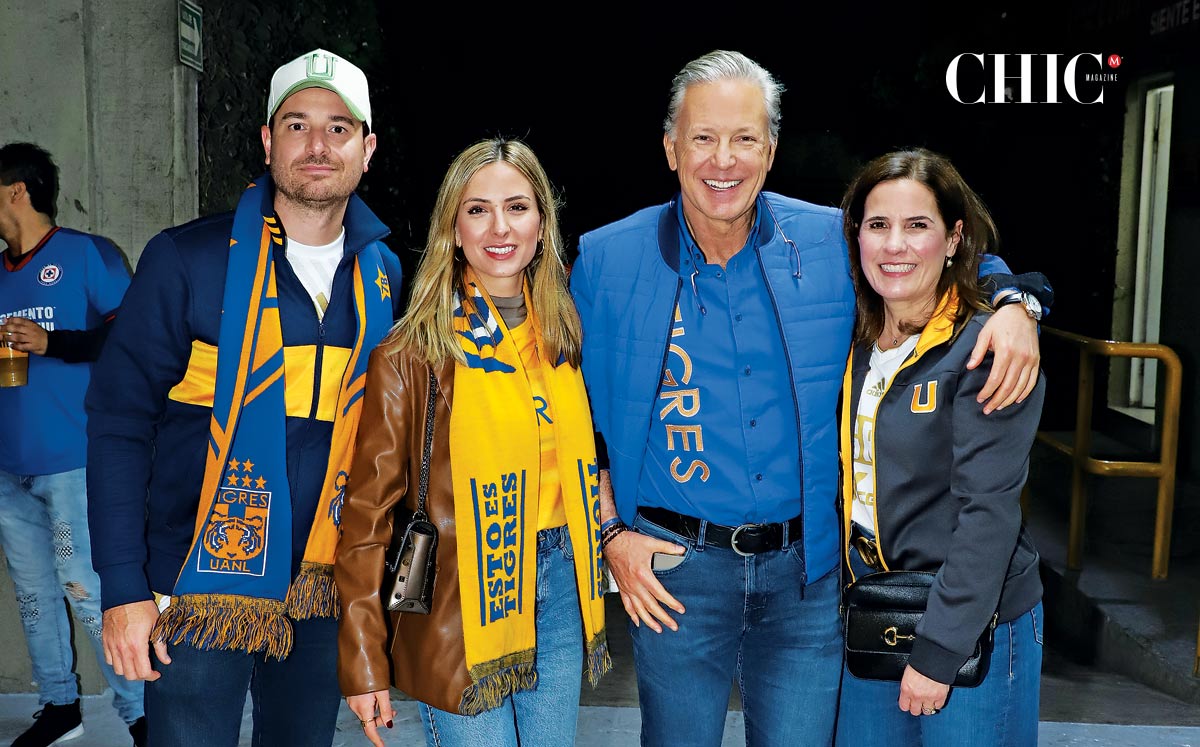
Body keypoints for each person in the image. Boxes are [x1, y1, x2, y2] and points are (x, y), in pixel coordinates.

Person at [568, 49, 1051, 746]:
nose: (723, 160)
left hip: (811, 577)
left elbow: (944, 252)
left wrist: (1016, 303)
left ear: (770, 150)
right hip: (674, 573)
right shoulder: (606, 258)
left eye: (744, 138)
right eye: (703, 138)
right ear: (672, 148)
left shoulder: (830, 238)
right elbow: (572, 420)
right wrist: (608, 535)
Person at [84, 48, 404, 747]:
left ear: (368, 148)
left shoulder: (382, 274)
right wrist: (123, 587)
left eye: (339, 128)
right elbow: (117, 423)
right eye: (296, 125)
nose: (318, 146)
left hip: (320, 585)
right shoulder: (188, 260)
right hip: (194, 582)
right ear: (267, 140)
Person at [335, 137, 610, 747]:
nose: (499, 228)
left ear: (542, 223)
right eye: (477, 209)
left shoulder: (566, 338)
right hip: (459, 605)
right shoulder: (412, 354)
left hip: (562, 583)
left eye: (517, 207)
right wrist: (362, 660)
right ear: (453, 230)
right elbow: (366, 518)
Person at [834, 148, 1046, 746]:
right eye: (878, 226)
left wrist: (939, 651)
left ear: (953, 239)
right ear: (856, 237)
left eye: (917, 226)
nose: (894, 245)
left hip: (971, 622)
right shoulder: (847, 335)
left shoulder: (987, 348)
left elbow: (989, 514)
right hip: (875, 609)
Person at [0, 142, 145, 747]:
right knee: (33, 595)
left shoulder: (88, 254)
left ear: (15, 192)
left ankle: (141, 712)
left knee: (86, 590)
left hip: (76, 461)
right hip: (9, 466)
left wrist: (52, 342)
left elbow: (135, 338)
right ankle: (60, 705)